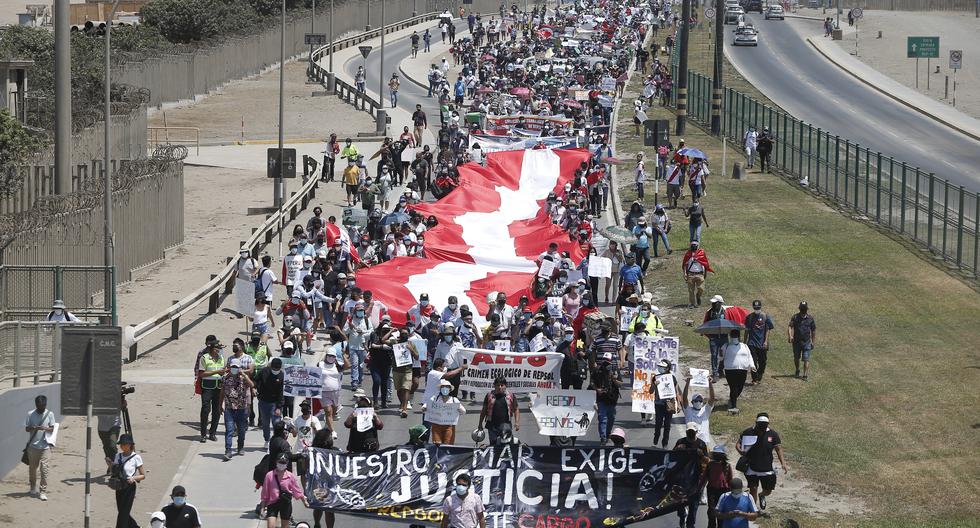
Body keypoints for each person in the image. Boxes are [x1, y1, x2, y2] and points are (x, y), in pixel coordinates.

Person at [736, 413, 788, 511]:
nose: (763, 427)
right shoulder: (748, 432)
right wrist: (740, 451)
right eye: (761, 425)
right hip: (751, 467)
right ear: (756, 423)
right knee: (753, 489)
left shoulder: (773, 434)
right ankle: (753, 509)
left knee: (768, 490)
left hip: (766, 468)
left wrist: (783, 463)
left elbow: (778, 448)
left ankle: (762, 495)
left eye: (765, 425)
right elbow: (738, 444)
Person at [674, 422, 709, 528]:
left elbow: (707, 461)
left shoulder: (702, 444)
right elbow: (671, 458)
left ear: (696, 432)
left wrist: (701, 455)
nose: (690, 433)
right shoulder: (680, 442)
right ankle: (682, 516)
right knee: (680, 503)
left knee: (694, 505)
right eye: (689, 431)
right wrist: (677, 450)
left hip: (696, 480)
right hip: (681, 479)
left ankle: (690, 524)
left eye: (692, 432)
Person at [261, 453, 308, 528]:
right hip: (272, 503)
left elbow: (297, 490)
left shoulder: (290, 476)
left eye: (283, 463)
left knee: (285, 526)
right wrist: (262, 507)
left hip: (285, 503)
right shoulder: (269, 475)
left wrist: (304, 500)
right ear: (276, 462)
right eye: (280, 462)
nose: (281, 464)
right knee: (270, 526)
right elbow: (265, 493)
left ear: (287, 464)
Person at [220, 357, 255, 460]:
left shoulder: (243, 378)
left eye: (236, 367)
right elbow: (222, 392)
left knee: (241, 430)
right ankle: (228, 450)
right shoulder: (225, 378)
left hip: (241, 408)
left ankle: (240, 447)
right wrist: (219, 405)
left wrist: (244, 374)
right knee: (229, 430)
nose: (234, 369)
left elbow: (252, 385)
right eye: (233, 367)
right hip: (229, 407)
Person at [24, 394, 55, 500]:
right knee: (32, 469)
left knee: (44, 469)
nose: (42, 408)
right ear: (36, 405)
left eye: (43, 405)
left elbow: (52, 428)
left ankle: (43, 491)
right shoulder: (30, 414)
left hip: (46, 446)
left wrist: (45, 428)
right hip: (33, 447)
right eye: (40, 406)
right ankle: (33, 487)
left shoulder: (50, 414)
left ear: (45, 404)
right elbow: (26, 429)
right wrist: (32, 427)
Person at [112, 434, 145, 528]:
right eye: (121, 444)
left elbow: (143, 475)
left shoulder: (136, 457)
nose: (121, 446)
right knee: (122, 511)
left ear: (130, 445)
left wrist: (133, 478)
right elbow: (114, 470)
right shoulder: (118, 456)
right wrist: (110, 464)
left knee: (123, 513)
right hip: (119, 486)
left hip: (129, 487)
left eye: (124, 444)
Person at [477, 376, 520, 445]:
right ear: (494, 386)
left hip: (506, 426)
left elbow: (516, 409)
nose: (500, 387)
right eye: (497, 385)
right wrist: (480, 424)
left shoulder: (510, 396)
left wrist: (517, 422)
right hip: (492, 426)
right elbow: (484, 410)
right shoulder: (489, 396)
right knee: (493, 446)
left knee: (506, 446)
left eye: (502, 385)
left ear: (505, 386)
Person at [197, 338, 225, 442]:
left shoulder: (221, 358)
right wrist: (216, 371)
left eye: (219, 348)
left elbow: (222, 371)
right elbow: (201, 374)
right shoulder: (204, 358)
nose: (219, 350)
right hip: (207, 386)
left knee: (217, 410)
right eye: (217, 348)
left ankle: (212, 433)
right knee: (205, 409)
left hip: (219, 387)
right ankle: (203, 434)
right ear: (212, 348)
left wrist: (223, 372)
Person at [650, 359, 682, 448]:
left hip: (669, 404)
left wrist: (678, 404)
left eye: (662, 367)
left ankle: (665, 443)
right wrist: (654, 385)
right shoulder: (656, 377)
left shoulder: (672, 377)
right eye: (659, 366)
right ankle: (656, 436)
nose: (660, 368)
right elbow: (650, 391)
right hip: (659, 404)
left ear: (667, 368)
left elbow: (676, 391)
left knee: (667, 424)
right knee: (658, 423)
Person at [721, 330, 755, 414]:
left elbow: (749, 356)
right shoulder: (726, 346)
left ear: (739, 337)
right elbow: (720, 357)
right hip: (730, 369)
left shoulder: (744, 346)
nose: (734, 338)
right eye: (733, 336)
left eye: (735, 336)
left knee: (740, 387)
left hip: (743, 369)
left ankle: (732, 399)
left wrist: (752, 365)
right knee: (733, 387)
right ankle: (733, 405)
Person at [591, 352, 621, 445]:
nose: (606, 363)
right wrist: (597, 389)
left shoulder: (615, 371)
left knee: (611, 418)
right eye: (605, 361)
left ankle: (608, 434)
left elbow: (620, 384)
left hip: (612, 398)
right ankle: (603, 437)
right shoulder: (597, 370)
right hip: (601, 398)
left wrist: (614, 379)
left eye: (608, 361)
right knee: (602, 418)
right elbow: (591, 383)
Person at [255, 357, 285, 449]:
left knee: (276, 422)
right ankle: (267, 440)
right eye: (274, 368)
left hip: (275, 403)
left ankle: (276, 440)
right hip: (263, 402)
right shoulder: (264, 371)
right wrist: (254, 388)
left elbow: (281, 392)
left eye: (277, 369)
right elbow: (256, 380)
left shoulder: (281, 376)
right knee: (265, 423)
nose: (275, 370)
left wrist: (279, 407)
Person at [427, 379, 466, 444]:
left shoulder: (454, 400)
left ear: (450, 389)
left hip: (449, 426)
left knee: (448, 445)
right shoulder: (434, 398)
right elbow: (427, 405)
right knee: (437, 444)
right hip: (436, 425)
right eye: (443, 387)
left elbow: (464, 411)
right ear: (440, 389)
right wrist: (424, 408)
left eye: (447, 387)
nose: (445, 389)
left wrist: (459, 409)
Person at [743, 300, 774, 384]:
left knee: (762, 361)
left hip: (762, 343)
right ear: (753, 307)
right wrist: (744, 342)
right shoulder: (749, 317)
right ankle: (754, 378)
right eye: (755, 308)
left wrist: (766, 341)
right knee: (753, 361)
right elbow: (747, 330)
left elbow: (768, 329)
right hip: (752, 343)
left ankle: (760, 374)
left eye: (758, 308)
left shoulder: (765, 316)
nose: (756, 309)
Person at [703, 445, 733, 528]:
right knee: (711, 511)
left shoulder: (727, 466)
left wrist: (732, 492)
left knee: (722, 511)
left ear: (723, 456)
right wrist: (699, 489)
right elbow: (704, 478)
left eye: (719, 454)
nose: (717, 456)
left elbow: (730, 479)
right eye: (716, 454)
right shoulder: (710, 465)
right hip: (711, 490)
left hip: (724, 491)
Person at [682, 375, 716, 445]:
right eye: (696, 400)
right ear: (692, 402)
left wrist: (710, 384)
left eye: (700, 400)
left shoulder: (706, 410)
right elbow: (684, 398)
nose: (698, 402)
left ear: (703, 402)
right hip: (691, 441)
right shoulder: (688, 411)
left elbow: (712, 398)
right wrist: (687, 383)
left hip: (704, 442)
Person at [787, 301, 816, 380]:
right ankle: (797, 370)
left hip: (806, 342)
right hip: (796, 342)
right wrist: (790, 336)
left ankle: (805, 375)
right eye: (802, 308)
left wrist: (813, 342)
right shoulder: (795, 317)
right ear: (799, 309)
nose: (803, 310)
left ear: (806, 309)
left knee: (806, 359)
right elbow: (790, 326)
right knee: (796, 358)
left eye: (804, 308)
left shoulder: (810, 319)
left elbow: (813, 331)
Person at [703, 295, 729, 379]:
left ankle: (720, 370)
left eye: (714, 303)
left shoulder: (725, 312)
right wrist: (709, 336)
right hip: (713, 338)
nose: (712, 304)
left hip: (724, 337)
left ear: (719, 303)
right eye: (712, 303)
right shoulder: (710, 312)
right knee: (714, 355)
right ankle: (714, 373)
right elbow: (705, 324)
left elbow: (729, 323)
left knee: (724, 355)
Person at [682, 241, 712, 308]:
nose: (694, 246)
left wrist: (705, 274)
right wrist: (684, 273)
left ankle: (698, 296)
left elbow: (705, 264)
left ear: (698, 246)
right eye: (692, 245)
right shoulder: (688, 254)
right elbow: (684, 264)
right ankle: (692, 303)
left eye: (695, 245)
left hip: (700, 274)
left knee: (701, 289)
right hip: (690, 274)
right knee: (691, 290)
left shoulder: (701, 253)